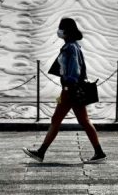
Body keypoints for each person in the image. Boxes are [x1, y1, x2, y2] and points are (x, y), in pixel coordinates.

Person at [23, 17, 106, 164]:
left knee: (64, 120)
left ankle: (41, 152)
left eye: (60, 28)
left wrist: (68, 87)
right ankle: (99, 152)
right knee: (76, 120)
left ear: (66, 31)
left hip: (69, 91)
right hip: (69, 91)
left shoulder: (71, 48)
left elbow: (74, 70)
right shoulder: (72, 45)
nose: (59, 31)